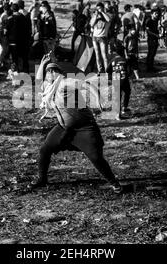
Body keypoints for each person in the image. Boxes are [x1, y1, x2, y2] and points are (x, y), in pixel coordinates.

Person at [28, 56, 123, 194]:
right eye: (47, 72)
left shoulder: (66, 82)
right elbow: (37, 80)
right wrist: (42, 63)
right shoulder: (49, 87)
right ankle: (42, 179)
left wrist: (99, 99)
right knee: (45, 150)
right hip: (64, 127)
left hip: (84, 127)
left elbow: (86, 85)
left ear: (56, 72)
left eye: (50, 71)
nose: (48, 75)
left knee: (96, 157)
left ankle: (114, 183)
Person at [107, 42, 131, 118]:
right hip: (124, 79)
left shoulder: (113, 60)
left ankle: (118, 115)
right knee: (127, 91)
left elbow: (107, 70)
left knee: (117, 97)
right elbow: (129, 71)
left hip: (116, 80)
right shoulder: (125, 60)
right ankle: (124, 107)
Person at [90, 2, 110, 73]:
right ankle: (100, 70)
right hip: (95, 38)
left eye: (99, 8)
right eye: (97, 8)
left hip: (103, 38)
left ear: (102, 8)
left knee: (104, 56)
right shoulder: (95, 16)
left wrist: (102, 12)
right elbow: (91, 24)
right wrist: (95, 16)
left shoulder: (106, 16)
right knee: (97, 55)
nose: (98, 10)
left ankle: (107, 71)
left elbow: (108, 20)